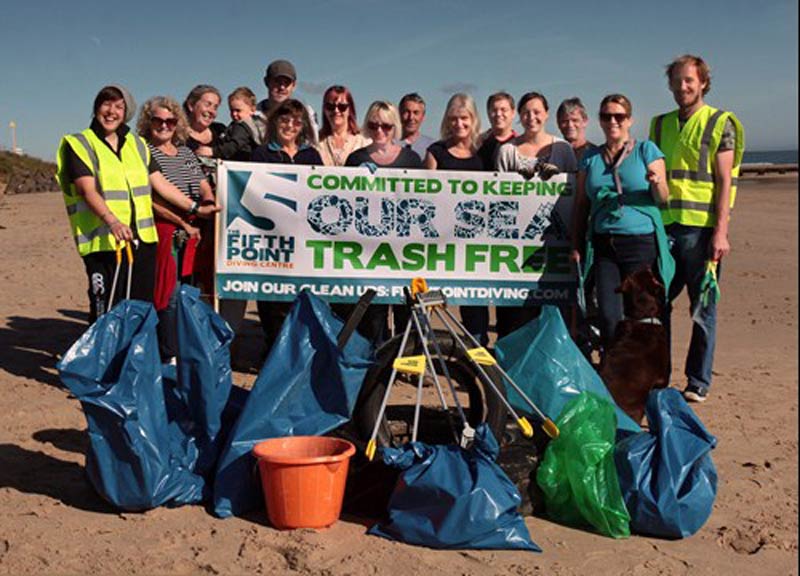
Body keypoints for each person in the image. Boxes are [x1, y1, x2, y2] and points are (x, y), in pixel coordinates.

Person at [55, 85, 218, 323]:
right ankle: (101, 359)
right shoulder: (79, 143)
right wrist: (112, 221)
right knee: (105, 309)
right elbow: (86, 190)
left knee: (140, 308)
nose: (111, 111)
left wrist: (196, 208)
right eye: (106, 104)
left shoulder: (137, 145)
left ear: (127, 112)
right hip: (103, 242)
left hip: (143, 240)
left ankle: (132, 358)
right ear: (96, 108)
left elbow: (160, 184)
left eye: (119, 106)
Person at [649, 54, 745, 403]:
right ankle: (660, 375)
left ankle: (697, 381)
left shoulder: (721, 123)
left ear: (703, 82)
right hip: (665, 229)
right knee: (655, 306)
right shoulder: (659, 125)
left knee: (702, 310)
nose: (682, 87)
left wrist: (721, 232)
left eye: (689, 80)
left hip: (701, 231)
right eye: (676, 81)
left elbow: (724, 181)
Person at [570, 94, 673, 354]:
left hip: (640, 242)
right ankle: (616, 374)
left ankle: (648, 378)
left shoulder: (645, 150)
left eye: (619, 116)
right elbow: (582, 205)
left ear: (630, 120)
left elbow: (663, 198)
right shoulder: (591, 158)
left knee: (642, 313)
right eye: (607, 116)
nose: (613, 121)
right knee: (608, 316)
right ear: (600, 121)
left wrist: (657, 182)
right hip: (604, 244)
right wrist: (575, 243)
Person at [137, 96, 216, 361]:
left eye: (170, 121)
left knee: (188, 291)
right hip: (164, 229)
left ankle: (180, 349)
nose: (164, 126)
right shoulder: (144, 152)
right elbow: (152, 199)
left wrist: (208, 201)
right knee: (166, 294)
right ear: (149, 123)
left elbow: (202, 182)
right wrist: (184, 220)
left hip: (193, 230)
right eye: (158, 120)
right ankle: (166, 353)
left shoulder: (184, 152)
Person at [495, 91, 578, 338]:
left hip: (553, 245)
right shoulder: (506, 151)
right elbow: (496, 195)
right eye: (526, 112)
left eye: (537, 112)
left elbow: (574, 193)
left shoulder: (563, 150)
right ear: (519, 116)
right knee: (515, 315)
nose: (532, 117)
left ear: (546, 114)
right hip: (515, 246)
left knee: (552, 311)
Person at [343, 101, 423, 344]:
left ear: (394, 127)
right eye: (374, 125)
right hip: (369, 249)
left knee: (406, 309)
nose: (380, 131)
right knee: (374, 312)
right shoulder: (356, 159)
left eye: (386, 126)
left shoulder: (411, 159)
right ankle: (377, 365)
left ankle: (407, 362)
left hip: (404, 248)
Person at [251, 100, 323, 353]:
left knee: (301, 301)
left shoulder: (311, 155)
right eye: (284, 120)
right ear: (274, 122)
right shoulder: (261, 154)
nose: (289, 126)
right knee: (272, 303)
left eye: (295, 121)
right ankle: (272, 354)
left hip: (304, 242)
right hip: (271, 242)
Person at [423, 93, 488, 345]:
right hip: (438, 241)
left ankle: (477, 355)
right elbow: (424, 195)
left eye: (464, 118)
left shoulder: (485, 151)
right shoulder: (436, 151)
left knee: (474, 305)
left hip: (474, 243)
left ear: (473, 119)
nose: (459, 124)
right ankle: (424, 350)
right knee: (430, 299)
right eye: (453, 119)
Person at [256, 59, 319, 144]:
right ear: (266, 82)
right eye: (277, 81)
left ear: (294, 85)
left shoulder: (307, 113)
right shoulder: (253, 115)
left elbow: (315, 145)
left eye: (287, 83)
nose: (282, 87)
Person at [316, 85, 371, 166]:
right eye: (330, 106)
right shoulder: (315, 142)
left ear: (350, 110)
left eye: (342, 107)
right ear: (324, 110)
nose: (336, 110)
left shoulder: (365, 142)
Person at [476, 91, 517, 169]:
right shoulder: (477, 144)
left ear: (513, 113)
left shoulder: (520, 146)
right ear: (488, 113)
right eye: (494, 110)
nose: (498, 114)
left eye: (503, 110)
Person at [557, 97, 596, 164]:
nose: (570, 125)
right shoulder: (554, 155)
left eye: (575, 120)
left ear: (585, 121)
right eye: (564, 121)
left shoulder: (595, 155)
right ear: (558, 123)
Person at [397, 93, 436, 160]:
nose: (411, 117)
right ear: (399, 113)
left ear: (423, 116)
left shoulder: (433, 147)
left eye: (416, 113)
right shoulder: (389, 144)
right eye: (407, 112)